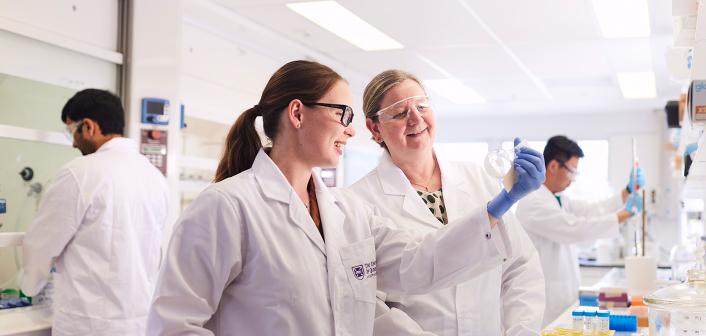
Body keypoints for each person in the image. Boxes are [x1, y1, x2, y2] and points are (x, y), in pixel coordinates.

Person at [146, 60, 545, 335]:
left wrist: (498, 207)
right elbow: (174, 323)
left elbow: (418, 264)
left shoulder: (345, 212)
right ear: (298, 114)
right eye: (343, 114)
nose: (350, 131)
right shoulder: (227, 207)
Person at [346, 69, 546, 336]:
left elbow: (521, 265)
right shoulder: (358, 202)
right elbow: (370, 305)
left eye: (421, 106)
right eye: (400, 112)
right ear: (374, 128)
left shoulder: (478, 178)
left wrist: (521, 330)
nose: (416, 119)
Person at [21, 88, 169, 335]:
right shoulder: (155, 177)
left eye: (72, 131)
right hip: (140, 322)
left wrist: (29, 287)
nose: (73, 142)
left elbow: (42, 244)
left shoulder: (80, 173)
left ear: (88, 126)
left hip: (88, 324)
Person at [515, 135, 645, 325]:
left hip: (561, 297)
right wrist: (625, 214)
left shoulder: (558, 198)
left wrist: (626, 193)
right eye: (571, 172)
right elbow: (575, 228)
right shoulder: (533, 202)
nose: (572, 180)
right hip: (544, 302)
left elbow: (590, 210)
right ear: (553, 167)